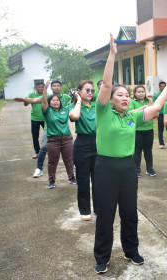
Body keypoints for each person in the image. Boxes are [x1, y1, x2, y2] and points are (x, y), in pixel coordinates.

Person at [93, 33, 167, 274]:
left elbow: (158, 107)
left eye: (127, 95)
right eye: (119, 95)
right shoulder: (103, 113)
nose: (124, 98)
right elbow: (107, 84)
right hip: (105, 169)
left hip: (127, 169)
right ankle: (102, 256)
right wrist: (112, 55)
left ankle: (132, 250)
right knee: (106, 216)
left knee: (130, 213)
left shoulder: (133, 117)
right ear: (109, 100)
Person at [13, 80, 71, 178]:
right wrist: (24, 99)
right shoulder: (47, 97)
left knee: (72, 147)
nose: (56, 87)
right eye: (54, 86)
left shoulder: (66, 97)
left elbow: (72, 106)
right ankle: (39, 169)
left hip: (64, 129)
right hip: (49, 127)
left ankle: (73, 167)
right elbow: (34, 100)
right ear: (51, 88)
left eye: (58, 86)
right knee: (43, 148)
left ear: (61, 87)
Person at [69, 80, 97, 221]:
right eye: (87, 90)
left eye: (92, 90)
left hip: (98, 143)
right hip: (82, 144)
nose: (90, 93)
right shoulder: (73, 107)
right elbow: (75, 117)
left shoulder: (97, 106)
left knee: (99, 179)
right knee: (83, 180)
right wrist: (79, 101)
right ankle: (85, 210)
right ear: (79, 91)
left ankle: (99, 208)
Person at [41, 80, 77, 189]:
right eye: (53, 100)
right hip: (53, 141)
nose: (56, 102)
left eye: (57, 100)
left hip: (66, 139)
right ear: (49, 102)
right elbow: (43, 102)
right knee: (53, 161)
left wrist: (77, 94)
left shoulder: (65, 110)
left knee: (69, 159)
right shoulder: (47, 112)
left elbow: (74, 104)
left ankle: (71, 177)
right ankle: (51, 180)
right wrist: (45, 89)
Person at [128, 85, 157, 177]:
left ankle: (150, 169)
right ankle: (137, 170)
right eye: (139, 92)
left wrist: (153, 111)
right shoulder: (132, 102)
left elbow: (155, 115)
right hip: (137, 130)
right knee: (137, 151)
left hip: (149, 130)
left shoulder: (149, 101)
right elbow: (130, 112)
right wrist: (143, 108)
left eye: (143, 92)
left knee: (148, 150)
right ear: (135, 93)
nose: (141, 93)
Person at [13, 81, 45, 159]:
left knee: (50, 135)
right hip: (34, 118)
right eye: (39, 87)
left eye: (42, 87)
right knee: (35, 136)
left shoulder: (47, 95)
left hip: (45, 119)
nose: (41, 88)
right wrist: (25, 100)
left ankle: (50, 150)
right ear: (36, 87)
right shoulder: (31, 95)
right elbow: (26, 104)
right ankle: (37, 152)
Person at [153, 81, 167, 149]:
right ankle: (161, 143)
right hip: (160, 114)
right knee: (160, 129)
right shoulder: (157, 96)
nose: (163, 87)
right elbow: (154, 105)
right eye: (161, 86)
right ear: (159, 87)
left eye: (164, 86)